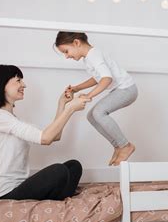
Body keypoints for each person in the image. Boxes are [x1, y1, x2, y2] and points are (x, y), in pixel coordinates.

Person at [0, 64, 90, 201]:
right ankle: (57, 197)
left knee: (74, 166)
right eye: (18, 80)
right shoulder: (0, 118)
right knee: (59, 171)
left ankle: (55, 199)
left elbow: (54, 136)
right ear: (2, 85)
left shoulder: (13, 120)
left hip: (19, 187)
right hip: (4, 194)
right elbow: (45, 139)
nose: (24, 85)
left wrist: (62, 104)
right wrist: (70, 109)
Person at [54, 32, 138, 166]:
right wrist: (77, 88)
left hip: (127, 89)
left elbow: (106, 79)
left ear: (76, 43)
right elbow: (98, 78)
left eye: (66, 51)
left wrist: (89, 96)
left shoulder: (93, 55)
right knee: (92, 116)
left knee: (99, 112)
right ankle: (118, 146)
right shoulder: (89, 57)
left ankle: (125, 146)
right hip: (121, 89)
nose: (66, 56)